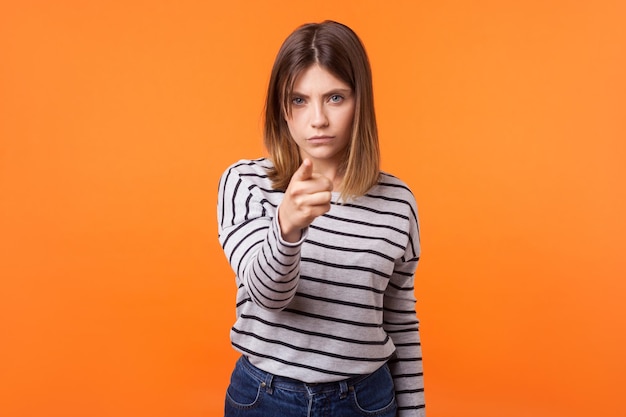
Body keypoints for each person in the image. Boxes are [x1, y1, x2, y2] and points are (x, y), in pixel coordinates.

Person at [217, 20, 424, 417]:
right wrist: (287, 228)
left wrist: (414, 413)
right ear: (283, 108)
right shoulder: (245, 183)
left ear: (360, 102)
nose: (318, 120)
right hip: (265, 398)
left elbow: (401, 322)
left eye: (334, 98)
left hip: (364, 401)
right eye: (299, 100)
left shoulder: (398, 202)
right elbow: (269, 297)